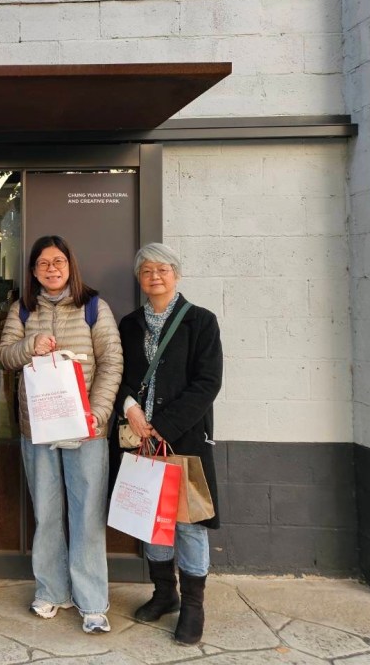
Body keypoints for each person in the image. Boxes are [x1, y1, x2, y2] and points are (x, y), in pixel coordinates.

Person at [0, 235, 123, 634]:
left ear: (70, 266)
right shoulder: (22, 309)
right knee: (47, 513)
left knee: (87, 515)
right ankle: (51, 591)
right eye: (43, 264)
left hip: (86, 431)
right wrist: (30, 345)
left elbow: (111, 362)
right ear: (34, 271)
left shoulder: (94, 307)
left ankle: (92, 602)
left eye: (59, 262)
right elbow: (4, 356)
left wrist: (98, 413)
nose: (52, 269)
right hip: (38, 428)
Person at [117, 242, 223, 646]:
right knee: (152, 517)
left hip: (185, 438)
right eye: (147, 271)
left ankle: (194, 605)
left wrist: (164, 425)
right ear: (139, 279)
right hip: (140, 439)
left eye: (163, 270)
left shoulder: (201, 321)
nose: (155, 277)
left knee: (187, 521)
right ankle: (164, 593)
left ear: (176, 274)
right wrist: (130, 408)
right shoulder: (129, 324)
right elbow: (120, 374)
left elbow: (207, 383)